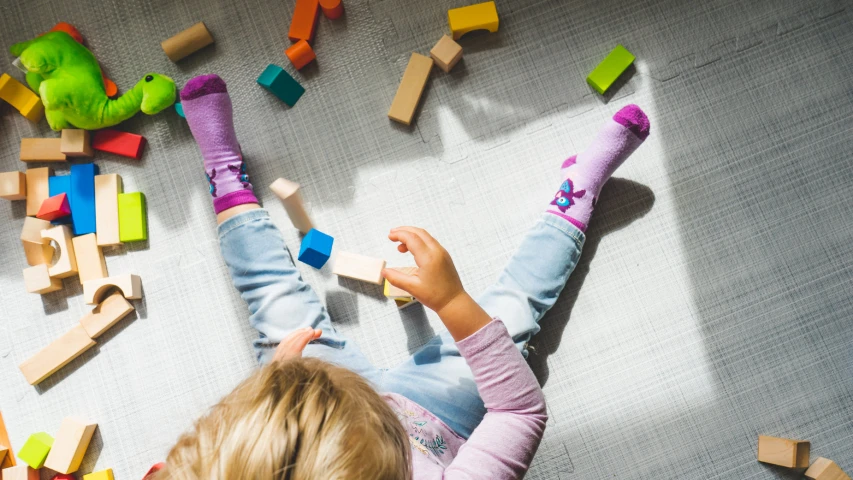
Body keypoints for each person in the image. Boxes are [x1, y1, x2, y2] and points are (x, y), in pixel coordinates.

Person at [152, 74, 650, 479]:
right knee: (514, 308)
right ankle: (577, 193)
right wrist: (454, 303)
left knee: (273, 298)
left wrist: (276, 392)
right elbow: (519, 413)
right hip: (439, 415)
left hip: (309, 401)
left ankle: (223, 173)